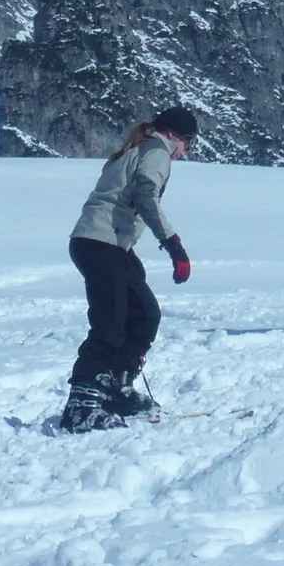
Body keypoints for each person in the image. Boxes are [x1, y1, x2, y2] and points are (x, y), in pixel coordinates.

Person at [59, 106, 198, 432]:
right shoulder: (157, 151)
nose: (185, 154)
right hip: (100, 242)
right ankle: (81, 405)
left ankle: (117, 388)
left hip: (106, 244)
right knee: (110, 322)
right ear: (177, 137)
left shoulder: (138, 147)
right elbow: (145, 196)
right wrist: (174, 244)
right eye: (188, 145)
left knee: (144, 312)